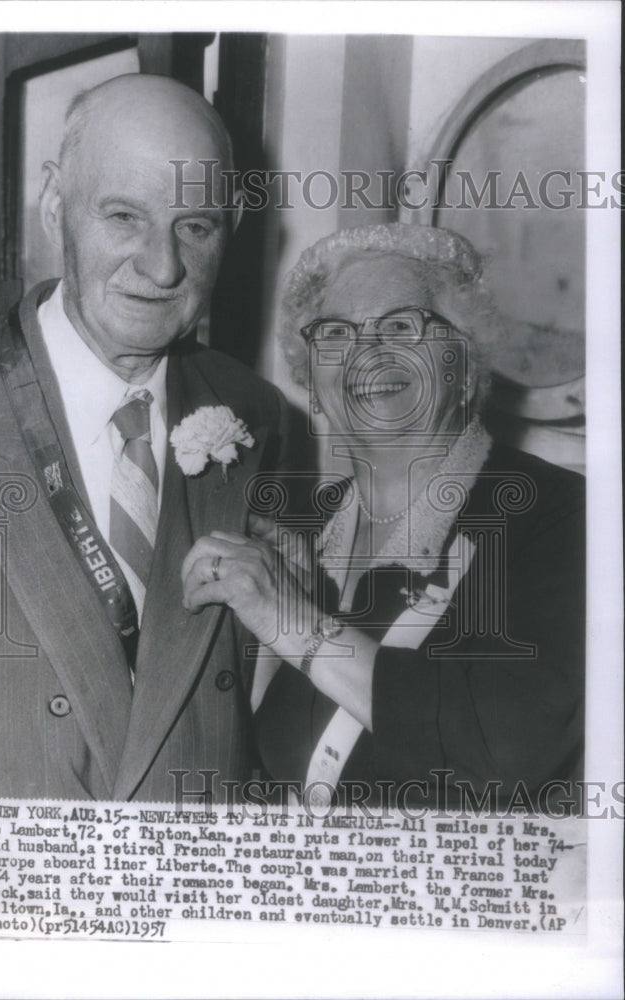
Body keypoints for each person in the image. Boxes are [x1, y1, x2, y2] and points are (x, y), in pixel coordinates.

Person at [0, 74, 286, 802]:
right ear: (55, 203)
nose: (162, 267)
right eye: (123, 216)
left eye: (195, 227)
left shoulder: (255, 412)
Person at [182, 223, 585, 811]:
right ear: (314, 385)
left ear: (465, 366)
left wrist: (293, 621)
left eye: (402, 326)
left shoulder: (557, 517)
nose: (368, 354)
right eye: (337, 334)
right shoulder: (311, 536)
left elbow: (511, 750)